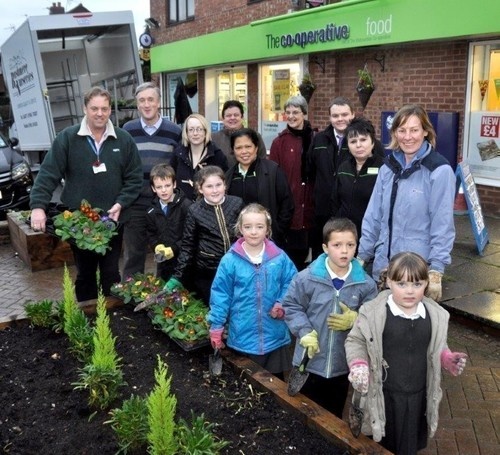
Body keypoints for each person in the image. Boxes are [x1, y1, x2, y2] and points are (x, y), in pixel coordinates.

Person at [345, 252, 467, 454]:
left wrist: (446, 358)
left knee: (408, 447)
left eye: (417, 284)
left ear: (426, 284)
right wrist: (359, 363)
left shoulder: (434, 315)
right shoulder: (373, 312)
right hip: (383, 397)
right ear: (389, 281)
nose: (409, 291)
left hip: (418, 397)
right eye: (402, 284)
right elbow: (356, 339)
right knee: (381, 445)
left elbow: (437, 345)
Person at [29, 86, 143, 301]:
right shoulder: (68, 138)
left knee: (111, 273)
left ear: (110, 110)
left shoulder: (124, 139)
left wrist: (121, 203)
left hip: (113, 220)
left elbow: (135, 178)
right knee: (85, 275)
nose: (99, 113)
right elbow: (48, 174)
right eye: (94, 108)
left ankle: (112, 323)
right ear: (85, 109)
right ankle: (87, 322)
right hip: (79, 222)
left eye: (104, 108)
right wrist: (37, 207)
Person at [357, 104, 456, 301]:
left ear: (425, 131)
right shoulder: (388, 168)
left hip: (415, 273)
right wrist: (362, 255)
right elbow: (373, 215)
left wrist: (436, 268)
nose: (407, 137)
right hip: (384, 269)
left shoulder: (439, 171)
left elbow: (442, 224)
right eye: (401, 130)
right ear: (394, 133)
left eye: (414, 130)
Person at [282, 218, 377, 417]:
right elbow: (291, 305)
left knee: (333, 415)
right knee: (304, 412)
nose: (344, 251)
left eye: (350, 245)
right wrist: (304, 331)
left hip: (342, 365)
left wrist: (356, 319)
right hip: (309, 361)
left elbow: (374, 317)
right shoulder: (306, 278)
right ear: (325, 247)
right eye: (337, 245)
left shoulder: (366, 285)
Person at [208, 203, 297, 379]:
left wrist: (282, 303)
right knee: (246, 388)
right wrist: (216, 326)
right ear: (240, 228)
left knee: (275, 386)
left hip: (274, 337)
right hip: (242, 337)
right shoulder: (230, 261)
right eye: (248, 227)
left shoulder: (279, 258)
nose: (254, 232)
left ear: (267, 229)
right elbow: (220, 295)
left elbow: (292, 283)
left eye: (259, 226)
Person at [307, 97, 385, 258]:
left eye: (363, 140)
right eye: (335, 115)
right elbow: (311, 172)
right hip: (335, 222)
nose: (359, 145)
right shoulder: (322, 142)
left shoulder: (382, 166)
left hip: (370, 231)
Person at [121, 82, 182, 279]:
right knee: (134, 255)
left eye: (150, 99)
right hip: (136, 203)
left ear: (158, 103)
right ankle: (131, 299)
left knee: (165, 254)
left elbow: (178, 166)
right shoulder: (127, 130)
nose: (146, 104)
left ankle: (163, 299)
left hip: (163, 205)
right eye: (141, 100)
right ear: (137, 104)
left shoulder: (174, 131)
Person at [165, 165, 244, 304]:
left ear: (225, 185)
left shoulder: (237, 203)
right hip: (209, 270)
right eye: (209, 186)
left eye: (218, 185)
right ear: (200, 189)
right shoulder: (194, 210)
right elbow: (188, 245)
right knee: (214, 305)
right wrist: (177, 276)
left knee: (237, 303)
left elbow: (248, 232)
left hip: (236, 266)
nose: (215, 190)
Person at [225, 128, 294, 248]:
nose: (244, 151)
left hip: (269, 240)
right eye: (239, 148)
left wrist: (276, 230)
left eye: (248, 146)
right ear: (233, 151)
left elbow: (287, 205)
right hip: (238, 242)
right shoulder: (228, 176)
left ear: (256, 148)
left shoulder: (273, 171)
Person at [269, 95, 315, 270]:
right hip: (290, 214)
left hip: (311, 213)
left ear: (304, 113)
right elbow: (274, 179)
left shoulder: (315, 138)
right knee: (291, 263)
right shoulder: (279, 143)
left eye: (295, 112)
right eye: (288, 112)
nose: (291, 116)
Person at [330, 117, 385, 243]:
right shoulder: (344, 167)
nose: (358, 145)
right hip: (345, 235)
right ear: (348, 145)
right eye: (353, 141)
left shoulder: (384, 168)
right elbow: (335, 201)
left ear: (372, 142)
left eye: (363, 140)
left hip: (373, 237)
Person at [145, 164, 192, 281]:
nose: (164, 190)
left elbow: (191, 235)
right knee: (164, 292)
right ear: (153, 188)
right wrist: (156, 246)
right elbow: (151, 234)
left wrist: (175, 248)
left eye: (167, 185)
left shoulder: (186, 206)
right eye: (159, 187)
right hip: (163, 262)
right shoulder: (151, 211)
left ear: (174, 184)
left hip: (185, 261)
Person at [170, 113, 228, 201]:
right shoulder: (178, 154)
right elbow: (171, 180)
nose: (195, 133)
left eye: (199, 129)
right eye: (191, 129)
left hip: (208, 209)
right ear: (186, 133)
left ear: (205, 132)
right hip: (182, 208)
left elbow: (225, 183)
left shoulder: (217, 155)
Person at [212, 100, 267, 167]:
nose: (232, 118)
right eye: (228, 115)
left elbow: (262, 160)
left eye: (236, 115)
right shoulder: (214, 138)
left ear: (242, 117)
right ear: (223, 118)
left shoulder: (254, 136)